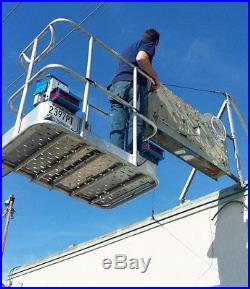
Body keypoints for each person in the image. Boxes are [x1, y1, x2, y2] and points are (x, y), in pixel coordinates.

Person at [109, 28, 160, 153]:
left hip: (116, 86)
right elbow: (141, 58)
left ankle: (116, 153)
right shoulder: (148, 43)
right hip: (133, 84)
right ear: (156, 42)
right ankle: (133, 155)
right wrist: (155, 79)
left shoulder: (129, 49)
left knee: (118, 123)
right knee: (137, 121)